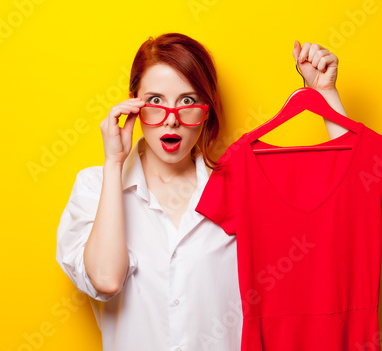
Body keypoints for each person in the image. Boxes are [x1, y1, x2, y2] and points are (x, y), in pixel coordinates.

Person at [56, 32, 348, 351]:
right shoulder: (96, 187)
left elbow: (344, 208)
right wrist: (114, 163)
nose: (172, 121)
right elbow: (106, 280)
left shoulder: (243, 188)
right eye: (155, 101)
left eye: (188, 100)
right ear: (134, 104)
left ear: (206, 108)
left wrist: (325, 96)